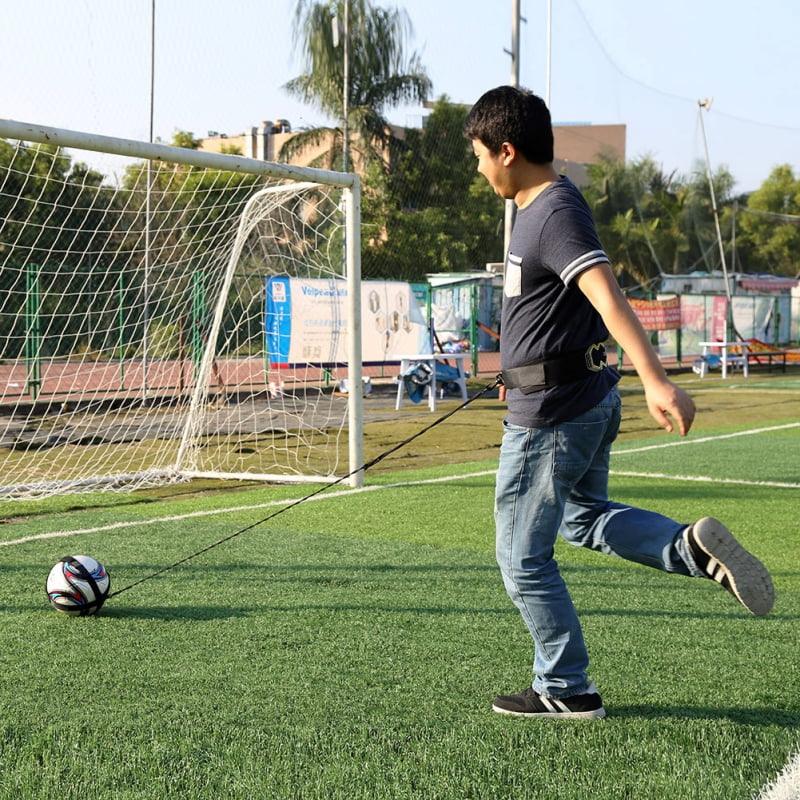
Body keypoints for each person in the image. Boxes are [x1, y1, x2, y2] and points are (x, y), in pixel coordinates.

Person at [463, 86, 775, 720]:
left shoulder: (551, 213)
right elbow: (556, 312)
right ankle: (687, 549)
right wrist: (519, 371)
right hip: (573, 397)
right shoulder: (547, 204)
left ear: (506, 149)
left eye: (478, 155)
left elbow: (607, 297)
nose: (477, 168)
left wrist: (657, 380)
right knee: (582, 518)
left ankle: (565, 687)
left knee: (521, 557)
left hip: (552, 418)